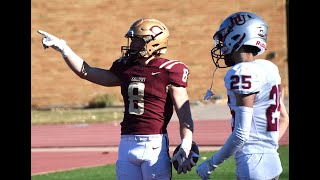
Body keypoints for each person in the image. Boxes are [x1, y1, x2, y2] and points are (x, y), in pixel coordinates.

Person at [37, 18, 196, 179]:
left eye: (138, 41)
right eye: (132, 40)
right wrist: (64, 49)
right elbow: (87, 72)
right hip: (126, 143)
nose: (132, 45)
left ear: (154, 43)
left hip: (154, 145)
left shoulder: (170, 70)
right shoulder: (126, 67)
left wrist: (186, 143)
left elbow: (184, 115)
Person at [197, 12, 289, 180]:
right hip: (271, 161)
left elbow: (241, 134)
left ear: (237, 36)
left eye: (223, 38)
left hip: (252, 165)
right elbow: (284, 118)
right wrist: (267, 147)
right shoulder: (269, 68)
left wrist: (211, 163)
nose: (221, 45)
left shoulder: (241, 72)